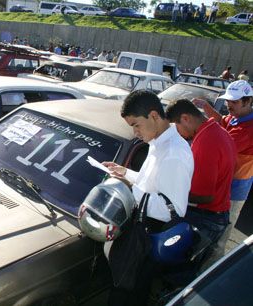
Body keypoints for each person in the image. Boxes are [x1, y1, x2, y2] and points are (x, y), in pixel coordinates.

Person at [103, 90, 194, 306]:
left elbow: (173, 209)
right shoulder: (157, 142)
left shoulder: (174, 153)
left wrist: (129, 190)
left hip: (148, 239)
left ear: (154, 116)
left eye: (136, 125)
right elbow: (151, 184)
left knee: (129, 295)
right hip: (139, 234)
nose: (135, 132)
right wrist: (126, 173)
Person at [165, 99, 236, 262]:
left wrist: (170, 190)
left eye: (176, 128)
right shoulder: (218, 130)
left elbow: (205, 196)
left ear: (185, 118)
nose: (179, 134)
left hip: (208, 217)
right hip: (219, 212)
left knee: (182, 268)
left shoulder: (205, 142)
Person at [193, 80, 253, 261]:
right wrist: (207, 108)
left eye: (234, 102)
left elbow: (223, 141)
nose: (229, 105)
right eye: (228, 100)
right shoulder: (236, 117)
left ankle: (209, 277)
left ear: (248, 101)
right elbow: (223, 121)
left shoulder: (249, 129)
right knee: (209, 228)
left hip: (235, 189)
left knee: (220, 236)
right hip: (223, 183)